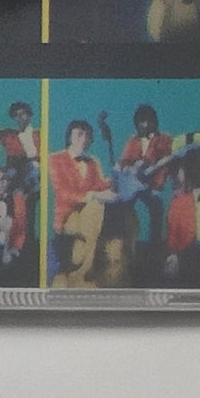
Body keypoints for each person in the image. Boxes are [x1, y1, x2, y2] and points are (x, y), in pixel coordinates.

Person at [48, 119, 118, 285]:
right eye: (79, 135)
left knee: (100, 210)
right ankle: (82, 273)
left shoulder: (92, 163)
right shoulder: (55, 159)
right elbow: (62, 193)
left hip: (90, 218)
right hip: (67, 217)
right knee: (95, 207)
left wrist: (114, 180)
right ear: (69, 137)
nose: (84, 139)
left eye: (88, 136)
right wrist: (91, 196)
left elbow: (101, 185)